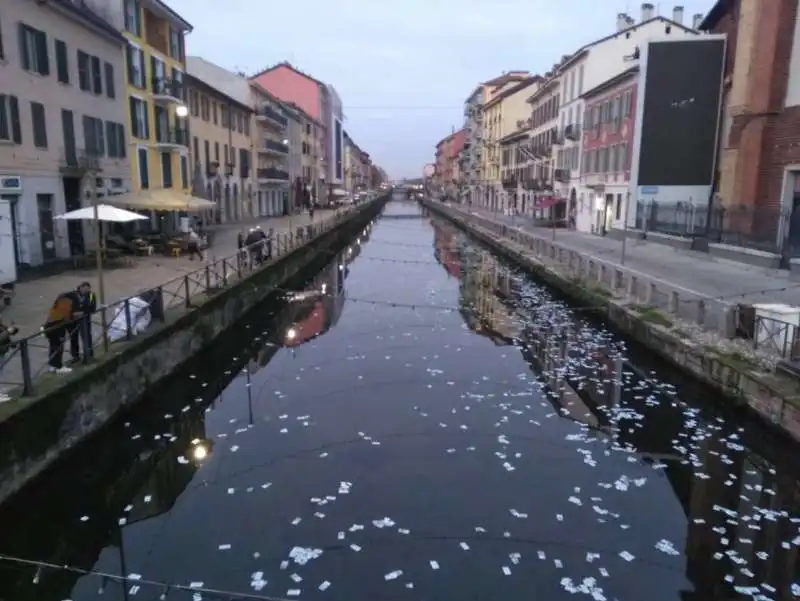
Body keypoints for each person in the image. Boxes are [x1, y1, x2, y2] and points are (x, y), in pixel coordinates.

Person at [43, 292, 80, 374]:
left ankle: (52, 366)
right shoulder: (67, 302)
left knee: (53, 346)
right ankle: (58, 367)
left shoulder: (59, 302)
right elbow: (66, 317)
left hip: (48, 326)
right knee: (59, 347)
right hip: (57, 326)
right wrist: (74, 316)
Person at [70, 281, 96, 363]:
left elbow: (93, 308)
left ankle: (88, 355)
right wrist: (73, 313)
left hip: (85, 319)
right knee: (73, 337)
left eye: (87, 290)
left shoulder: (91, 295)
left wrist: (83, 312)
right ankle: (75, 356)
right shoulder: (73, 295)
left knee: (87, 337)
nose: (86, 292)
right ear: (80, 288)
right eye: (84, 290)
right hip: (73, 320)